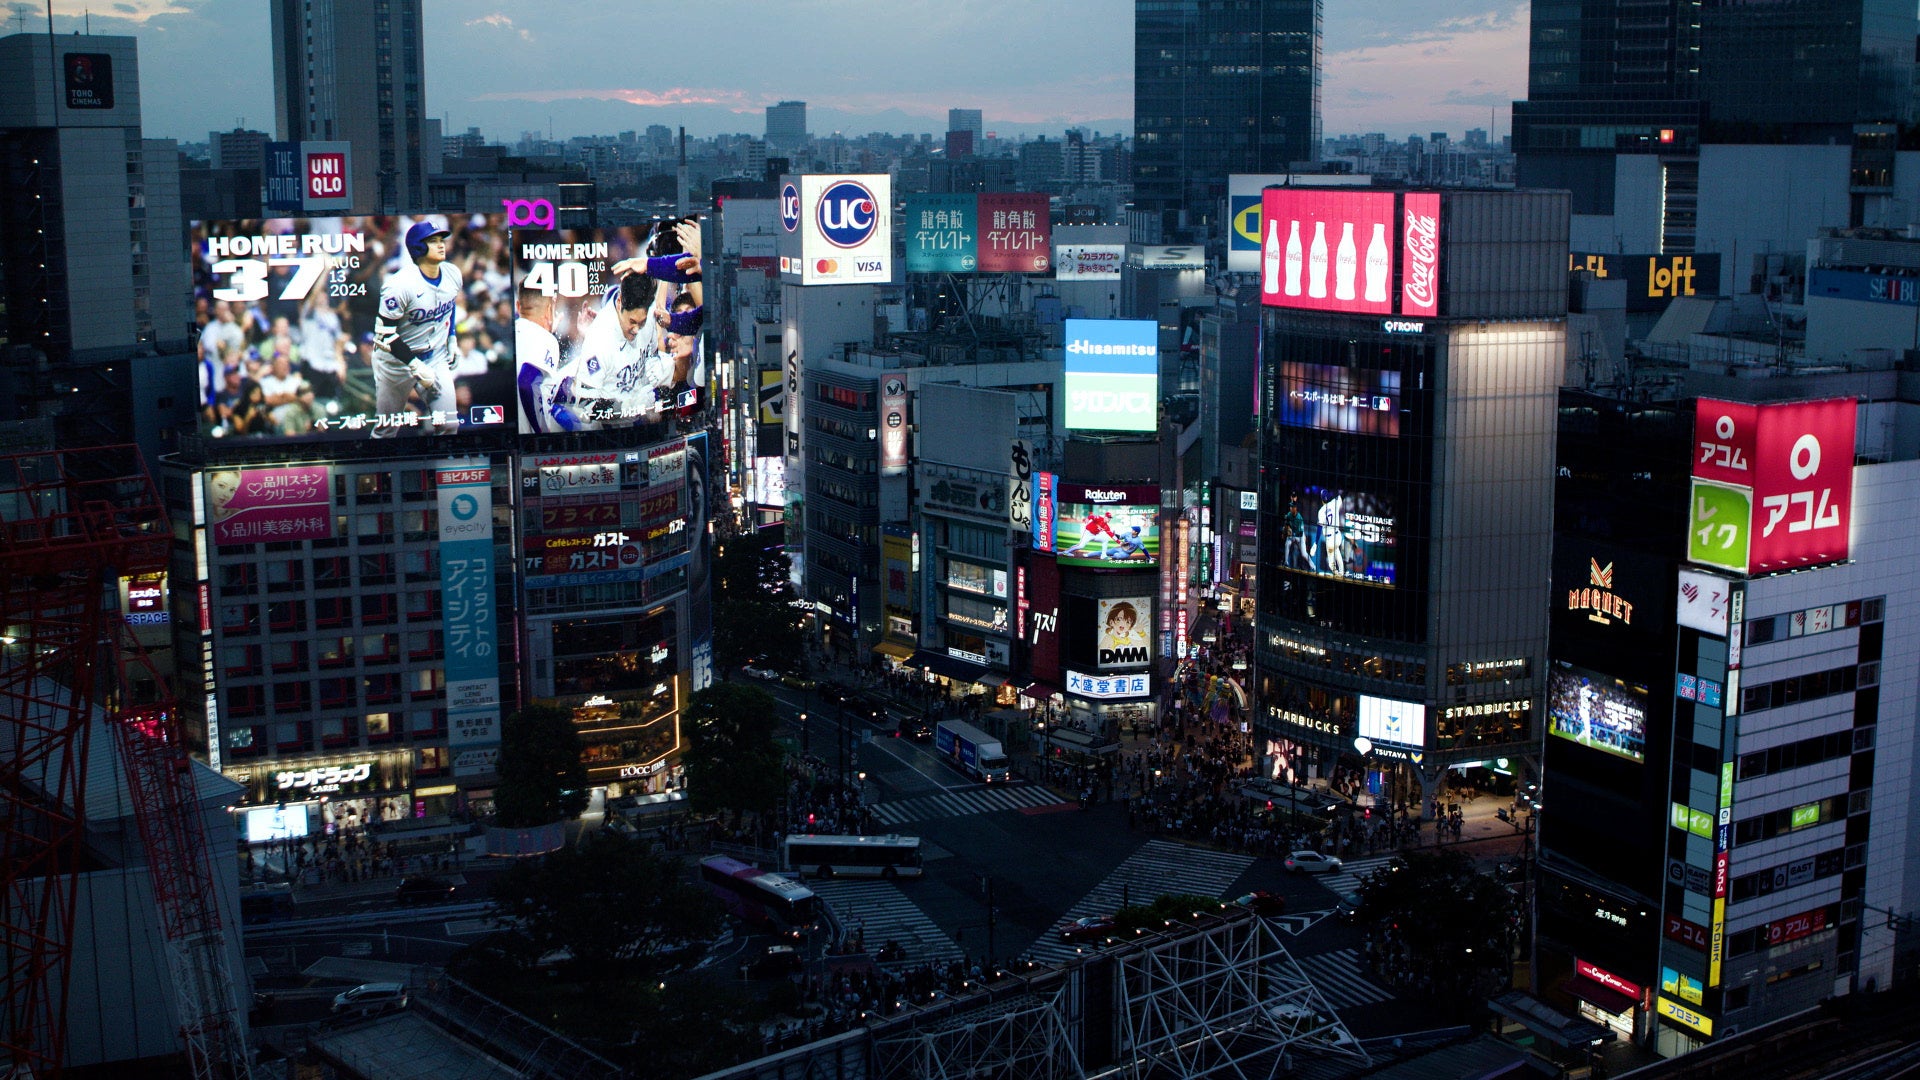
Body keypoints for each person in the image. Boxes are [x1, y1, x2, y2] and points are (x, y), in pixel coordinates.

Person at [371, 219, 463, 437]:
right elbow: (384, 336)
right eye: (433, 241)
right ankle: (377, 471)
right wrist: (414, 365)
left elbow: (449, 302)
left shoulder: (452, 273)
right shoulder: (399, 285)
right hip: (396, 362)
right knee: (386, 430)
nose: (441, 244)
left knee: (449, 424)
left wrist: (452, 337)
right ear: (418, 247)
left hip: (435, 357)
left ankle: (442, 471)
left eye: (441, 240)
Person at [515, 289, 577, 433]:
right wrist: (541, 431)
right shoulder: (545, 339)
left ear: (518, 306)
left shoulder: (513, 333)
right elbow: (526, 382)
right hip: (530, 442)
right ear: (550, 308)